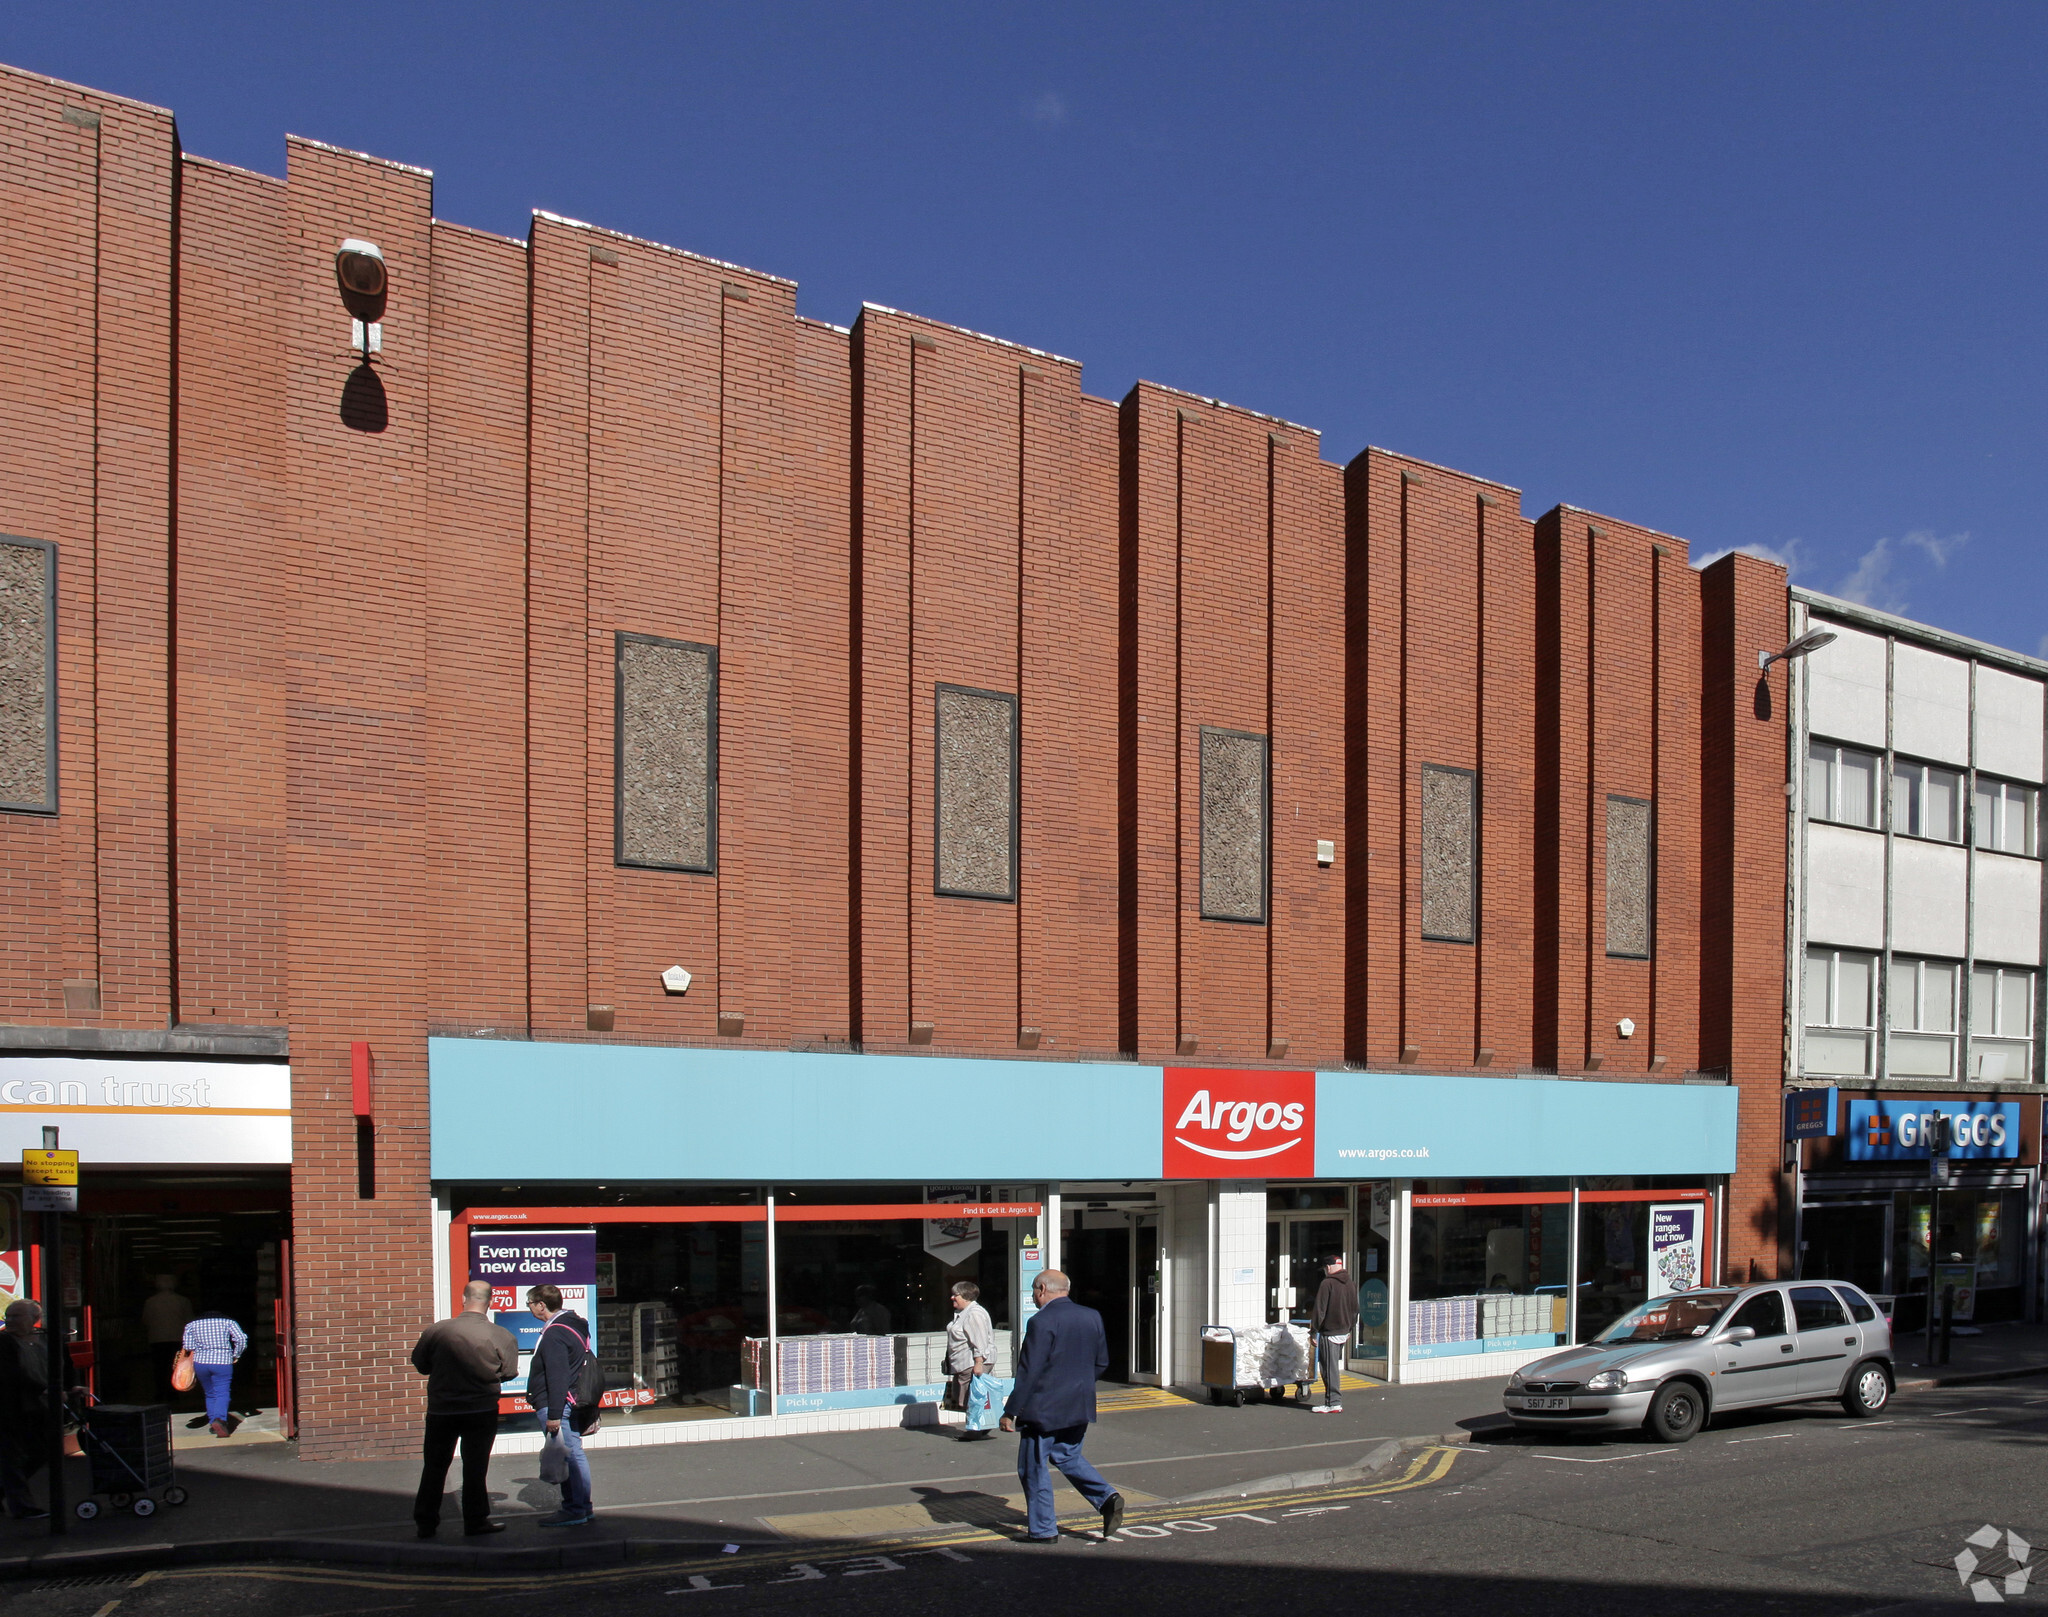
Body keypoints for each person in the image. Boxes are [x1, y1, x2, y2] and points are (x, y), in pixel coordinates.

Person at [1000, 1269, 1123, 1544]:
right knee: (1067, 1456)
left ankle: (1043, 1530)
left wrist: (1011, 1411)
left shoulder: (1041, 1321)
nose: (1033, 1296)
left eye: (1034, 1290)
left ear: (1042, 1289)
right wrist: (1076, 1386)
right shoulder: (1092, 1316)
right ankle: (1106, 1497)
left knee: (1033, 1467)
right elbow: (1101, 1362)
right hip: (1078, 1404)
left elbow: (1029, 1371)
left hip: (1043, 1409)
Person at [410, 1280, 520, 1539]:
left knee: (434, 1467)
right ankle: (475, 1521)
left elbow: (421, 1364)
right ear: (491, 1301)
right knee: (475, 1467)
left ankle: (425, 1524)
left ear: (463, 1299)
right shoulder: (502, 1336)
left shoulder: (437, 1331)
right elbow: (508, 1373)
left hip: (441, 1411)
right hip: (480, 1410)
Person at [525, 1283, 596, 1528]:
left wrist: (553, 1414)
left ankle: (574, 1509)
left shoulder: (555, 1333)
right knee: (575, 1454)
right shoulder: (575, 1324)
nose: (530, 1308)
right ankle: (582, 1507)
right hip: (572, 1400)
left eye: (530, 1304)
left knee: (569, 1457)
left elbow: (557, 1375)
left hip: (559, 1404)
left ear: (541, 1305)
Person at [0, 1300, 60, 1520]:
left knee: (41, 1451)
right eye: (9, 1316)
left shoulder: (44, 1339)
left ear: (34, 1319)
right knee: (11, 1458)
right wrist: (44, 1389)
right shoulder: (4, 1342)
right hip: (10, 1409)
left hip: (37, 1409)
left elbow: (61, 1365)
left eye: (17, 1316)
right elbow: (11, 1373)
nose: (11, 1321)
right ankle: (23, 1507)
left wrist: (71, 1386)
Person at [181, 1306, 248, 1438]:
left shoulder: (191, 1324)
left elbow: (188, 1346)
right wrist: (236, 1355)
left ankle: (213, 1423)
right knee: (222, 1392)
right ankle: (220, 1420)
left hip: (201, 1363)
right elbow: (241, 1339)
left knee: (210, 1393)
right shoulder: (228, 1322)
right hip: (222, 1362)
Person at [1309, 1254, 1359, 1415]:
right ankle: (1333, 1401)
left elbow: (1320, 1309)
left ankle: (1333, 1402)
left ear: (1328, 1267)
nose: (1325, 1271)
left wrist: (1314, 1331)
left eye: (1325, 1268)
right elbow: (1355, 1309)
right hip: (1344, 1332)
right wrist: (1350, 1328)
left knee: (1328, 1368)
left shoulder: (1327, 1283)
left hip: (1329, 1332)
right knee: (1333, 1367)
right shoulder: (1351, 1284)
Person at [944, 1280, 994, 1435]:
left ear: (965, 1296)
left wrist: (978, 1362)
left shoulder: (974, 1314)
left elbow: (980, 1340)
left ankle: (975, 1428)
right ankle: (979, 1427)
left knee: (970, 1397)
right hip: (963, 1362)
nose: (952, 1298)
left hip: (970, 1362)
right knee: (966, 1396)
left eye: (955, 1295)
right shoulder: (964, 1313)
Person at [141, 1274, 192, 1402]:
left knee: (159, 1367)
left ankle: (160, 1392)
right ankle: (174, 1392)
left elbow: (145, 1320)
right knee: (176, 1366)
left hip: (157, 1338)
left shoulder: (150, 1302)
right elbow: (189, 1320)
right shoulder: (183, 1300)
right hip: (177, 1338)